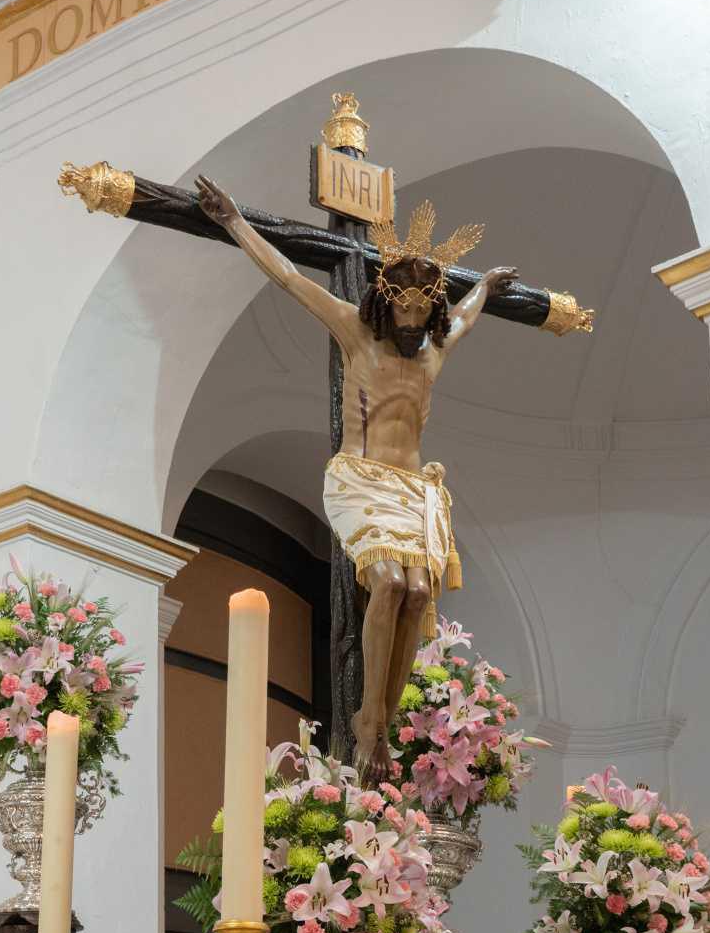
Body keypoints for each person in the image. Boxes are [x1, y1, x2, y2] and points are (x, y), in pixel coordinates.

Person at [195, 177, 516, 780]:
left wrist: (490, 288)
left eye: (425, 310)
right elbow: (290, 278)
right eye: (405, 307)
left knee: (420, 594)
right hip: (361, 480)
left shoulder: (433, 351)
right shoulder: (355, 331)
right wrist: (236, 223)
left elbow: (469, 315)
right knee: (390, 583)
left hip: (415, 489)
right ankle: (368, 720)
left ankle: (384, 726)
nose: (414, 320)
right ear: (384, 300)